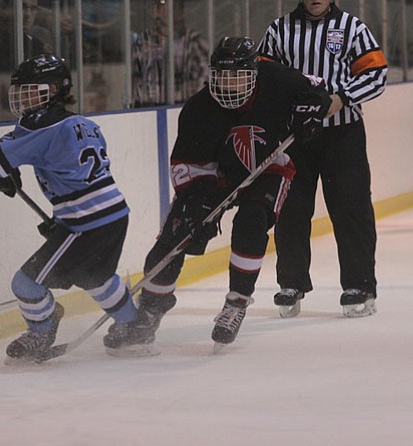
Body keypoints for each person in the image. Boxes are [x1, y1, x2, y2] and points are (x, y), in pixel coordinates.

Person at [131, 36, 331, 346]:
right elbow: (187, 162)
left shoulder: (276, 78)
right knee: (177, 234)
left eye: (238, 76)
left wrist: (311, 110)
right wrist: (196, 201)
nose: (229, 84)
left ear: (255, 72)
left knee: (251, 222)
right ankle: (149, 311)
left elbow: (317, 87)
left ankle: (237, 302)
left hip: (269, 167)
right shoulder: (198, 109)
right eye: (222, 76)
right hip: (217, 175)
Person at [0, 54, 155, 362]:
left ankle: (42, 331)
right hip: (114, 213)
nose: (24, 98)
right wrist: (61, 219)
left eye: (31, 90)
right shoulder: (85, 124)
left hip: (86, 222)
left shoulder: (40, 125)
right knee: (95, 276)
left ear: (54, 89)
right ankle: (134, 326)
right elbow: (75, 177)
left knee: (25, 283)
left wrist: (0, 176)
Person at [258, 0, 388, 318]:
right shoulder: (279, 30)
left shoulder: (353, 29)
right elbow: (261, 74)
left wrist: (341, 98)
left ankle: (360, 285)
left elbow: (377, 74)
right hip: (295, 137)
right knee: (290, 211)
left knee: (351, 209)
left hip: (343, 137)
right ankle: (292, 282)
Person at [131, 0, 208, 106]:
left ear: (181, 11)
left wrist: (196, 105)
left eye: (174, 5)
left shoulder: (193, 41)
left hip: (184, 106)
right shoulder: (143, 41)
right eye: (162, 5)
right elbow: (135, 77)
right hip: (148, 109)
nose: (167, 9)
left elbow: (205, 76)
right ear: (155, 10)